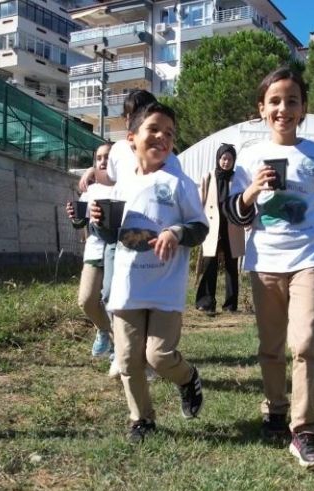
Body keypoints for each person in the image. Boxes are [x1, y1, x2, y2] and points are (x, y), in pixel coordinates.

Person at [222, 66, 314, 470]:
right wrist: (251, 190)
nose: (284, 108)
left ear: (303, 109)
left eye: (292, 101)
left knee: (306, 343)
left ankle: (305, 430)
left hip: (309, 261)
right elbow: (237, 215)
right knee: (271, 346)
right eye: (275, 101)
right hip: (264, 262)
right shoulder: (247, 156)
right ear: (261, 109)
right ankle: (275, 407)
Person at [91, 102, 209, 443]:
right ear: (132, 139)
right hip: (128, 286)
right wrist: (98, 223)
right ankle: (141, 419)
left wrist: (175, 233)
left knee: (158, 356)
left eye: (169, 133)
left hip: (164, 288)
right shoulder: (122, 186)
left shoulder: (177, 182)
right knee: (128, 358)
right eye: (154, 129)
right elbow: (113, 236)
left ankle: (187, 378)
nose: (162, 137)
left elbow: (199, 227)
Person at [80, 90, 179, 380]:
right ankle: (121, 351)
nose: (131, 119)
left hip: (152, 235)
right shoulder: (120, 149)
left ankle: (148, 359)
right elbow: (109, 178)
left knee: (145, 300)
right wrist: (90, 172)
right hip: (118, 231)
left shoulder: (165, 152)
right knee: (112, 292)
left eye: (138, 112)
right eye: (128, 115)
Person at [67, 143, 114, 358]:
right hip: (95, 252)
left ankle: (123, 346)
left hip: (119, 251)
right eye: (99, 158)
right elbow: (81, 221)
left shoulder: (127, 184)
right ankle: (104, 331)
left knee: (112, 301)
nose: (103, 161)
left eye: (108, 156)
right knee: (86, 300)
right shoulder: (92, 189)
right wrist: (75, 216)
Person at [195, 143, 245, 313]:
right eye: (223, 158)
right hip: (212, 226)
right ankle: (206, 302)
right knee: (210, 264)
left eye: (230, 159)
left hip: (232, 225)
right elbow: (200, 200)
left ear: (234, 161)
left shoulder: (238, 178)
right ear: (218, 159)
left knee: (232, 267)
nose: (226, 162)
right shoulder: (208, 177)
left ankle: (231, 305)